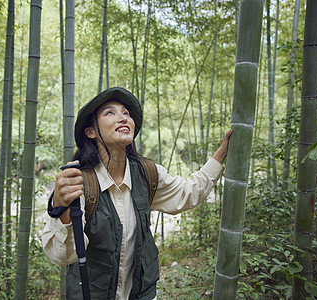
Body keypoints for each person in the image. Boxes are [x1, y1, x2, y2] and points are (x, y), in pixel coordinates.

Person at [42, 87, 232, 300]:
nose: (123, 118)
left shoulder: (147, 174)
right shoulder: (79, 182)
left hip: (142, 294)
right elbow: (63, 255)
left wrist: (222, 152)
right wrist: (63, 207)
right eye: (110, 113)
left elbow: (188, 193)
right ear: (91, 131)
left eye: (126, 113)